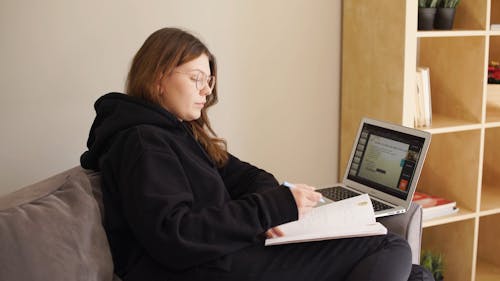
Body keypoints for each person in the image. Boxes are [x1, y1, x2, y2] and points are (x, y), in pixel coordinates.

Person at [81, 27, 431, 281]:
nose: (206, 91)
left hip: (225, 253)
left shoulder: (176, 132)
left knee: (416, 275)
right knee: (390, 247)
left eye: (210, 82)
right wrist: (271, 208)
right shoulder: (143, 142)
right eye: (196, 78)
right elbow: (176, 234)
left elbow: (246, 176)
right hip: (201, 268)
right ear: (159, 77)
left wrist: (274, 205)